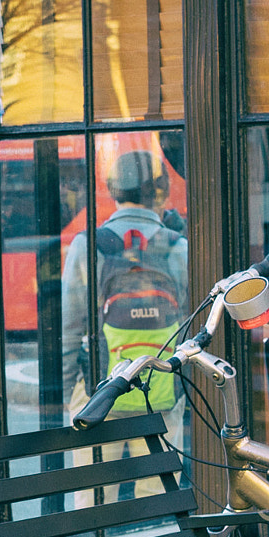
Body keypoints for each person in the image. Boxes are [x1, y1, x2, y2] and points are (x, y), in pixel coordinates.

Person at [60, 149, 190, 502]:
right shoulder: (178, 247)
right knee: (160, 496)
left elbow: (71, 326)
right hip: (160, 388)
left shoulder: (89, 245)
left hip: (100, 388)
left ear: (113, 190)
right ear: (161, 190)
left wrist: (68, 387)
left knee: (93, 497)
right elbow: (192, 327)